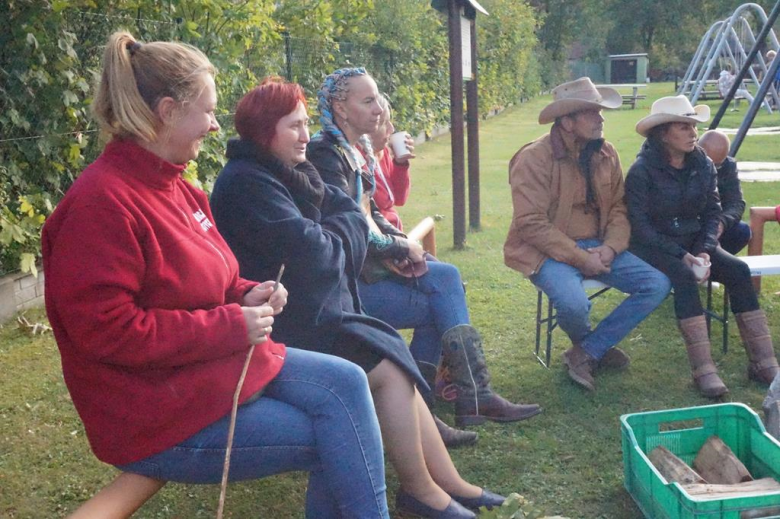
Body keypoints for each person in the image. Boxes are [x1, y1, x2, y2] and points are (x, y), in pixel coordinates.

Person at [42, 32, 390, 518]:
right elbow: (108, 331)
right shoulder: (101, 204)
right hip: (155, 416)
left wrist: (248, 292)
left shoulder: (178, 187)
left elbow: (218, 277)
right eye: (206, 111)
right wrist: (231, 323)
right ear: (166, 110)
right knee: (339, 433)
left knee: (348, 383)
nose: (213, 125)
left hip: (210, 374)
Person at [211, 77, 505, 518]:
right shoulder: (247, 182)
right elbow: (320, 254)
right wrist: (344, 227)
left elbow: (343, 214)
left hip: (313, 313)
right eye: (294, 126)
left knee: (389, 354)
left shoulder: (286, 171)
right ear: (264, 130)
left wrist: (341, 226)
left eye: (307, 123)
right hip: (281, 328)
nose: (306, 135)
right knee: (386, 366)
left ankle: (448, 483)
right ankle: (421, 491)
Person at [306, 67, 541, 431]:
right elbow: (352, 224)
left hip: (366, 273)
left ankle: (435, 406)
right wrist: (399, 245)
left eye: (376, 99)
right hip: (346, 288)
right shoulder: (326, 155)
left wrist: (404, 246)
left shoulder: (355, 149)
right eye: (367, 101)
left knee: (445, 285)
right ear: (339, 106)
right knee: (444, 290)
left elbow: (372, 217)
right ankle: (457, 402)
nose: (379, 109)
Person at [503, 77, 671, 392]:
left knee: (657, 284)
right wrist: (580, 258)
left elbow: (620, 208)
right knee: (573, 304)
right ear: (567, 121)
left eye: (600, 111)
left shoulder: (605, 153)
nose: (601, 118)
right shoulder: (533, 158)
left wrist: (610, 248)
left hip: (598, 245)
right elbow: (530, 223)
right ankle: (593, 348)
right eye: (592, 112)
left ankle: (587, 351)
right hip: (547, 251)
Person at [626, 95, 779, 398]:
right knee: (683, 278)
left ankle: (763, 362)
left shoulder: (703, 163)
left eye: (693, 126)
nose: (692, 132)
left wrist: (706, 249)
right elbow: (640, 228)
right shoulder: (641, 171)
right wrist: (681, 255)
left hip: (695, 241)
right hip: (654, 246)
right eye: (683, 127)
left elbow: (713, 213)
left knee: (737, 269)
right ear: (662, 133)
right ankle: (703, 370)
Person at [698, 130, 752, 254]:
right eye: (707, 162)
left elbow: (736, 203)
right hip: (691, 222)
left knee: (741, 231)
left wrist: (722, 222)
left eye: (717, 165)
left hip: (715, 220)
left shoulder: (728, 166)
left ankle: (714, 265)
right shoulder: (684, 163)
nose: (712, 169)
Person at [367, 94, 415, 230]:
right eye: (384, 123)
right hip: (384, 239)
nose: (391, 129)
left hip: (394, 235)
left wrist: (400, 163)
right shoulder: (359, 162)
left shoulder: (383, 153)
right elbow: (381, 204)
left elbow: (399, 199)